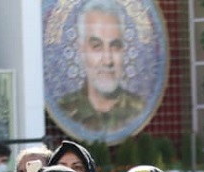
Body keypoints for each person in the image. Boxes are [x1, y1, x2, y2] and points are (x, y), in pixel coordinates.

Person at [58, 0, 145, 133]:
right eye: (97, 46)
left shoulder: (139, 110)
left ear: (124, 50)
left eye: (115, 46)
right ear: (81, 50)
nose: (107, 60)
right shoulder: (65, 111)